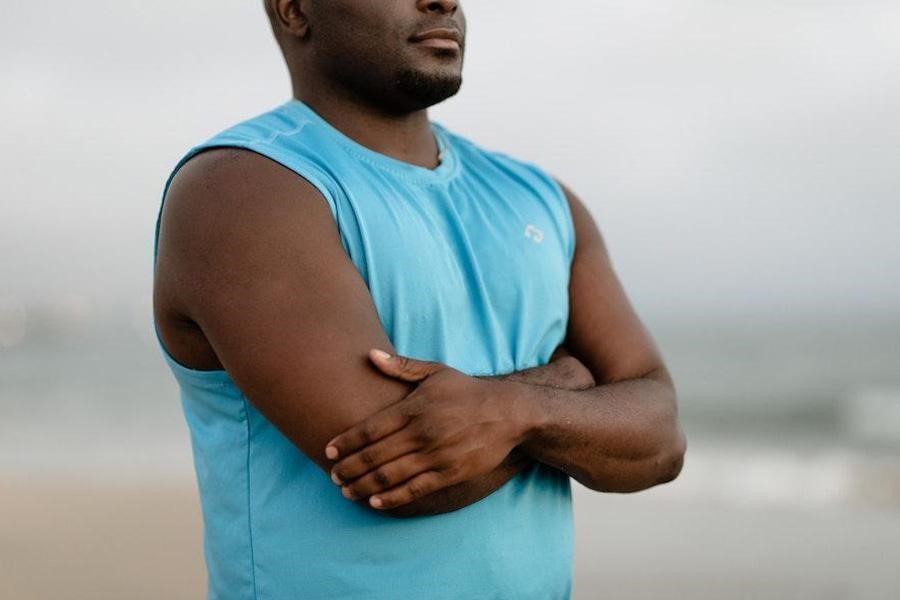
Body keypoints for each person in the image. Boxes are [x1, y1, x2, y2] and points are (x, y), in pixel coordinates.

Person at [152, 1, 686, 598]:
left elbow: (658, 441)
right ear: (296, 9)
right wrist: (571, 383)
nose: (445, 1)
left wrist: (515, 412)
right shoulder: (242, 192)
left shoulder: (540, 199)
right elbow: (402, 470)